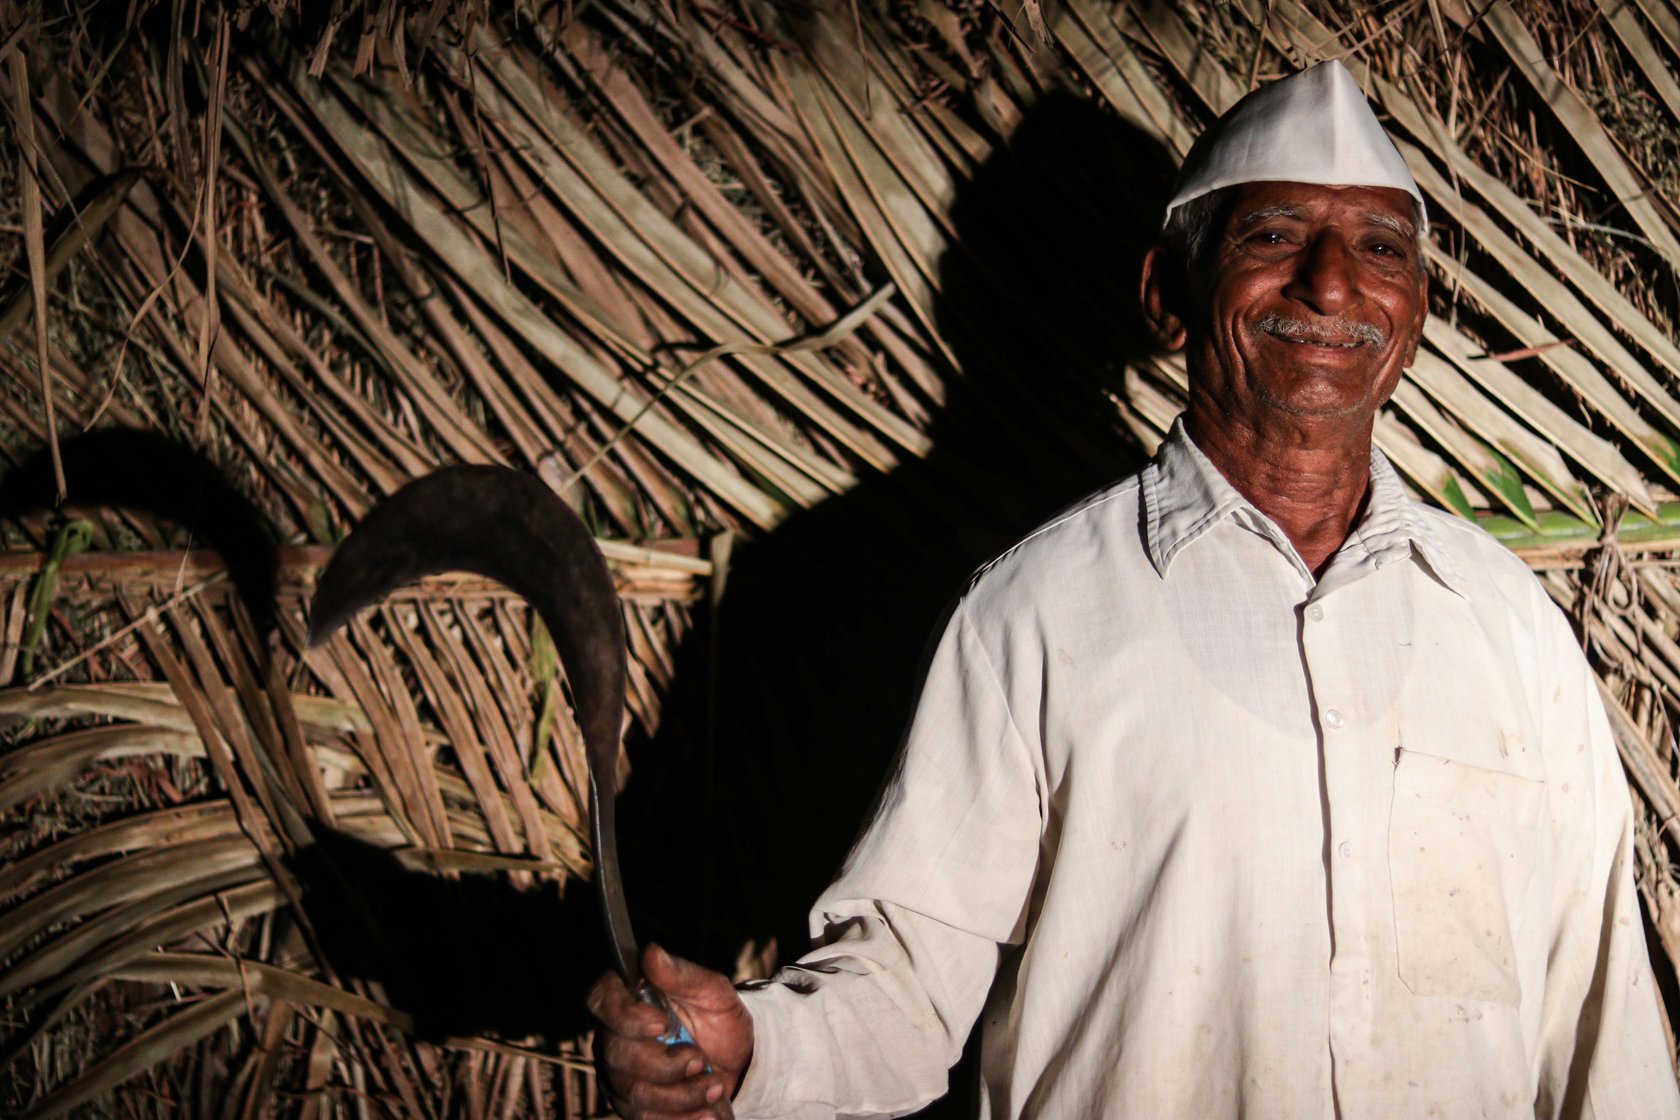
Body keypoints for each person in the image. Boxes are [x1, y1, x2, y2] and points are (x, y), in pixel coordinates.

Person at [587, 61, 1680, 1119]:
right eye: (1274, 236)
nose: (1334, 281)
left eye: (1379, 247)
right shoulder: (1038, 615)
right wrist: (756, 1046)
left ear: (1415, 314)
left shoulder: (1509, 631)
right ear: (1169, 292)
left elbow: (1603, 1029)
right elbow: (911, 981)